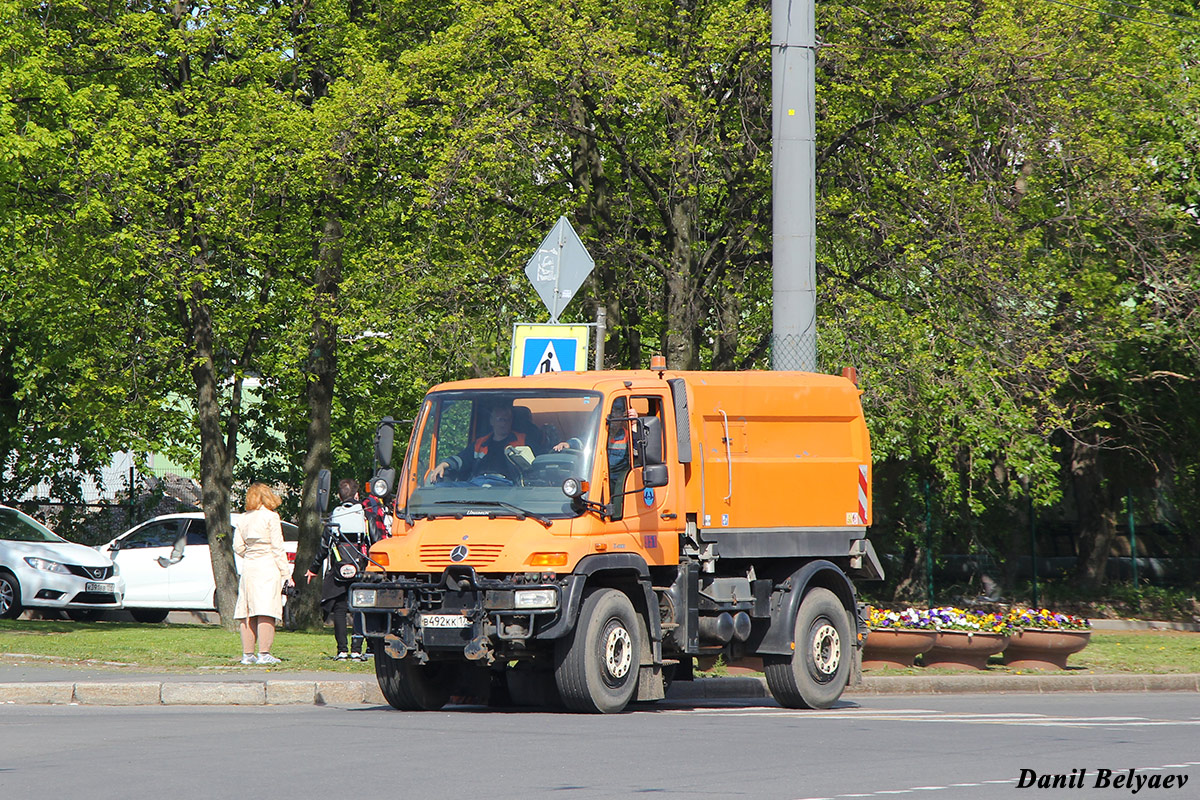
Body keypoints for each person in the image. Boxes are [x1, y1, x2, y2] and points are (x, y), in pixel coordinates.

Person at [304, 478, 382, 660]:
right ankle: (356, 649)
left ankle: (341, 650)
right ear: (357, 495)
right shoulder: (365, 515)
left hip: (339, 569)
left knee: (339, 608)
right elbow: (376, 541)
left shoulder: (334, 516)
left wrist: (313, 569)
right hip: (360, 569)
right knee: (358, 608)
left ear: (339, 496)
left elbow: (324, 546)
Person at [234, 482, 294, 665]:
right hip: (268, 566)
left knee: (247, 610)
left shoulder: (243, 518)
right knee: (266, 610)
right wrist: (286, 574)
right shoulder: (271, 517)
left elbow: (237, 546)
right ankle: (264, 653)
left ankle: (247, 654)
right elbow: (277, 548)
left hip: (249, 567)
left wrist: (251, 554)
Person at [429, 402, 540, 482]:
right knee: (440, 488)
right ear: (491, 421)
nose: (504, 423)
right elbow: (462, 458)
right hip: (477, 485)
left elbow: (538, 464)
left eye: (508, 420)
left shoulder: (523, 440)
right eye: (501, 419)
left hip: (507, 486)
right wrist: (443, 464)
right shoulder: (480, 443)